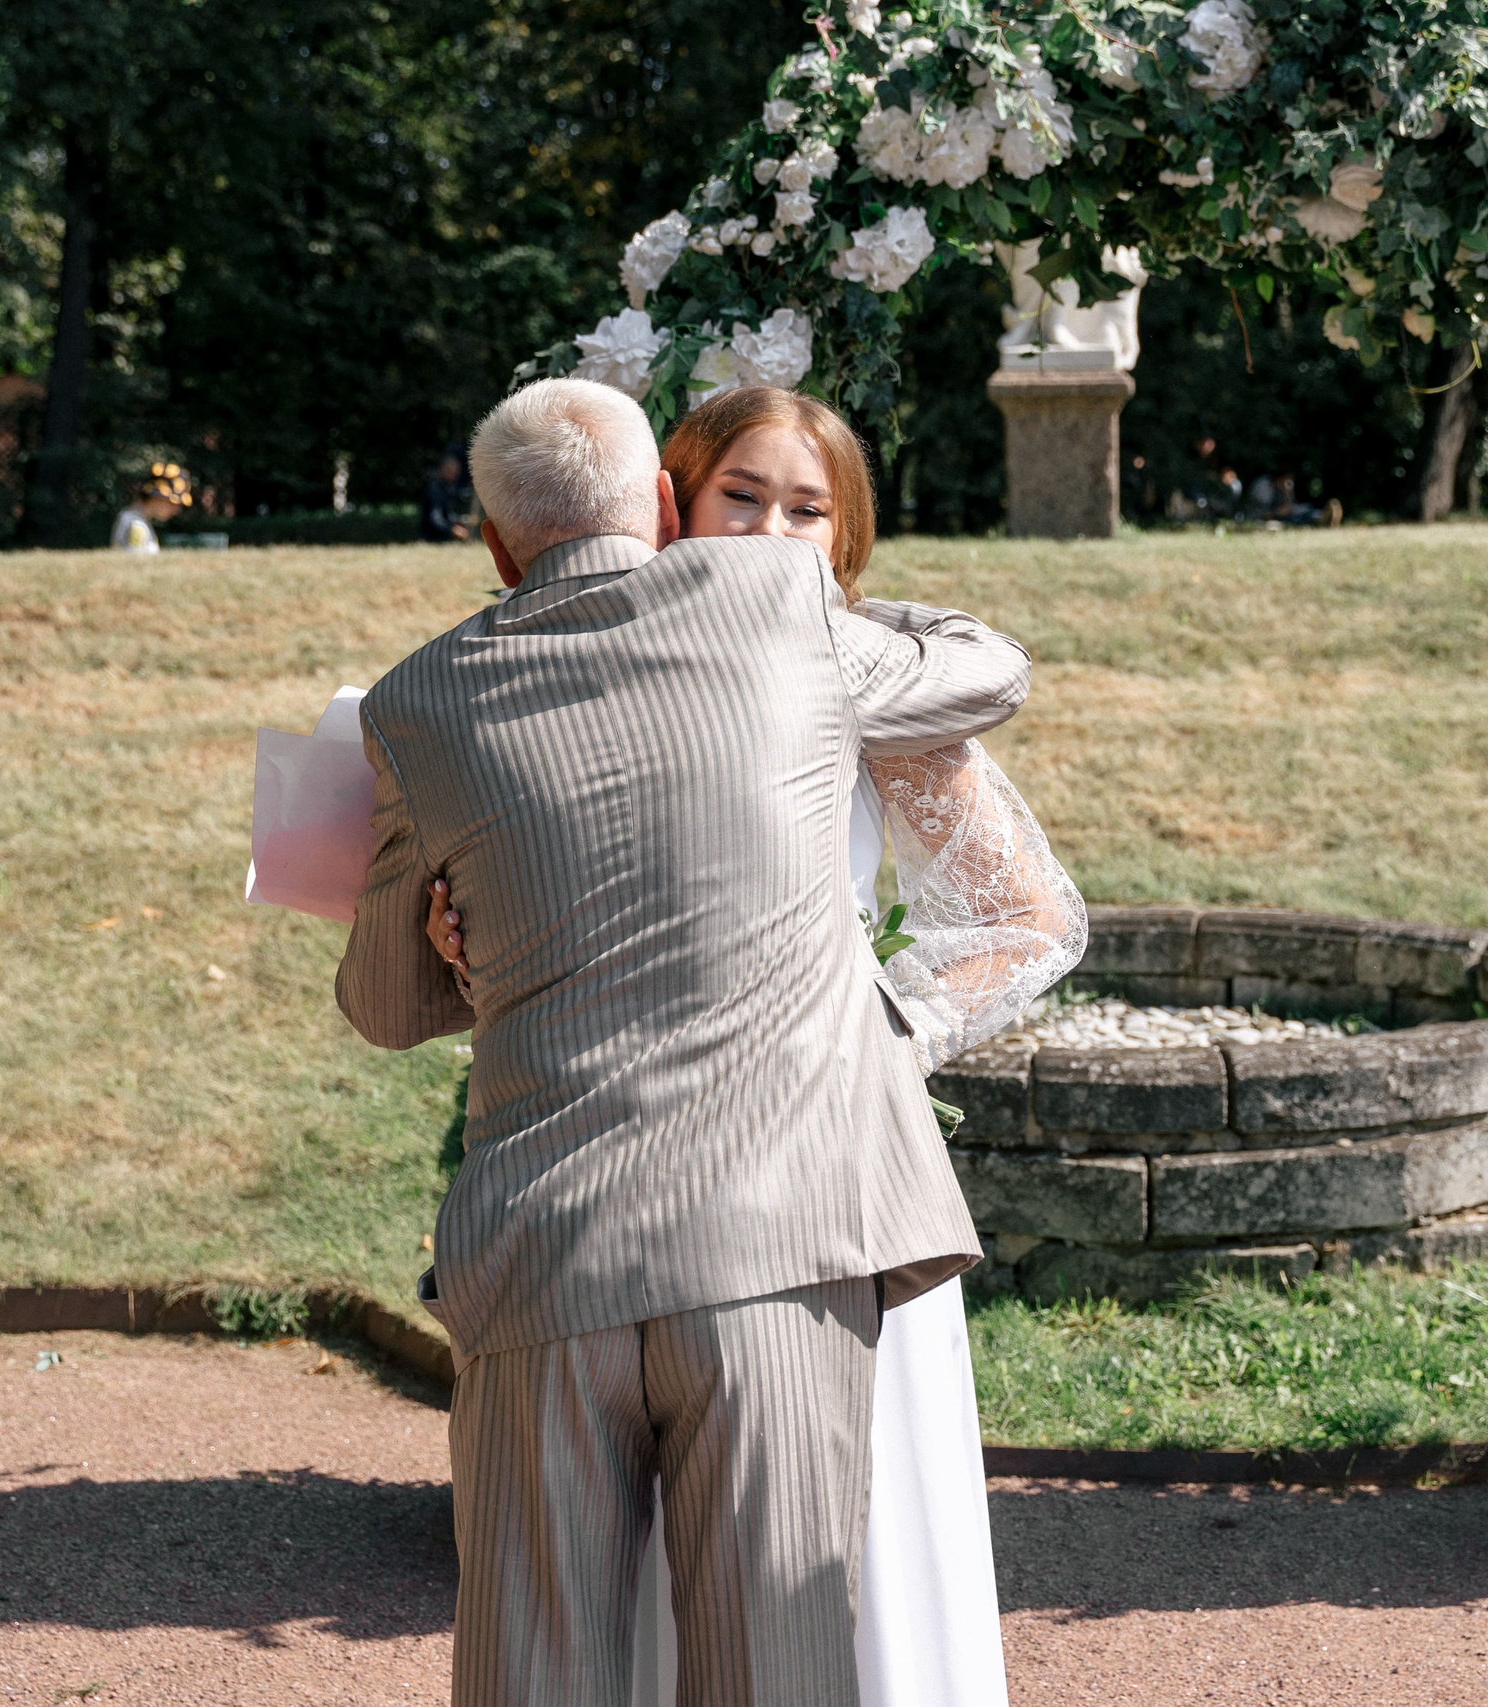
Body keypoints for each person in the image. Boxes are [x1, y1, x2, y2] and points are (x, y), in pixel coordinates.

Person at [335, 376, 1035, 1707]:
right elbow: (992, 668)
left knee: (537, 1671)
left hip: (544, 1257)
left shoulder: (416, 703)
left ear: (493, 543)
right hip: (779, 1244)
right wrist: (835, 610)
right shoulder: (782, 603)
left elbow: (382, 1006)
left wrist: (437, 943)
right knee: (777, 1668)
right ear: (664, 501)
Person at [109, 461, 191, 552]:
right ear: (157, 497)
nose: (176, 510)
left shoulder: (137, 521)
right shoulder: (136, 526)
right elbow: (137, 563)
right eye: (172, 503)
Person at [421, 444, 474, 542]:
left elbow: (448, 514)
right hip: (433, 538)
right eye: (451, 471)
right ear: (442, 468)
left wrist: (460, 520)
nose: (455, 474)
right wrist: (453, 530)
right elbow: (435, 519)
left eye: (456, 471)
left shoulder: (448, 486)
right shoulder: (435, 489)